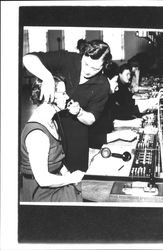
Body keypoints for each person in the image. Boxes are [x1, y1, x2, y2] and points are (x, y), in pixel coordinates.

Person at [23, 39, 112, 173]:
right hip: (50, 128)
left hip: (75, 138)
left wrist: (80, 112)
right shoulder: (68, 59)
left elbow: (91, 119)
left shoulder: (103, 85)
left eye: (95, 68)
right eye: (86, 63)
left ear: (104, 66)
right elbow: (27, 59)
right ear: (83, 55)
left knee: (75, 180)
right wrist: (47, 77)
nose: (87, 71)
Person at [20, 77, 85, 202]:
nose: (67, 97)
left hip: (54, 183)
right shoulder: (37, 134)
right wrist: (72, 179)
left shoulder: (52, 121)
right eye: (63, 93)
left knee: (89, 190)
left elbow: (56, 159)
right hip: (41, 194)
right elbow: (43, 179)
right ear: (49, 96)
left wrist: (67, 174)